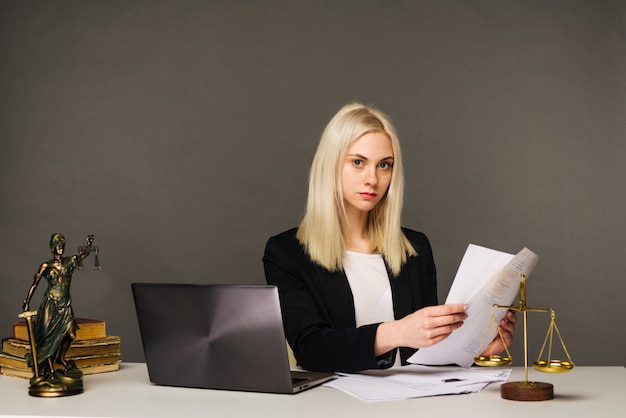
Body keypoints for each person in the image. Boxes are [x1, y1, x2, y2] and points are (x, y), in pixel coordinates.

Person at [263, 102, 516, 373]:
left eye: (384, 165)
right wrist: (397, 332)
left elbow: (423, 353)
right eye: (358, 162)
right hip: (333, 403)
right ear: (331, 165)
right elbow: (311, 349)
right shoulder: (286, 252)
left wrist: (475, 350)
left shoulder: (415, 248)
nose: (372, 179)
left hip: (410, 402)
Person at [23, 233, 95, 382]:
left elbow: (83, 255)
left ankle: (61, 358)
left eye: (62, 245)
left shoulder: (69, 262)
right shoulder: (46, 265)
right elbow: (34, 284)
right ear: (52, 248)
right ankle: (49, 371)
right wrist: (27, 300)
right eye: (57, 245)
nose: (60, 248)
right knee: (49, 339)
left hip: (65, 304)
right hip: (50, 305)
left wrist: (88, 245)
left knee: (71, 335)